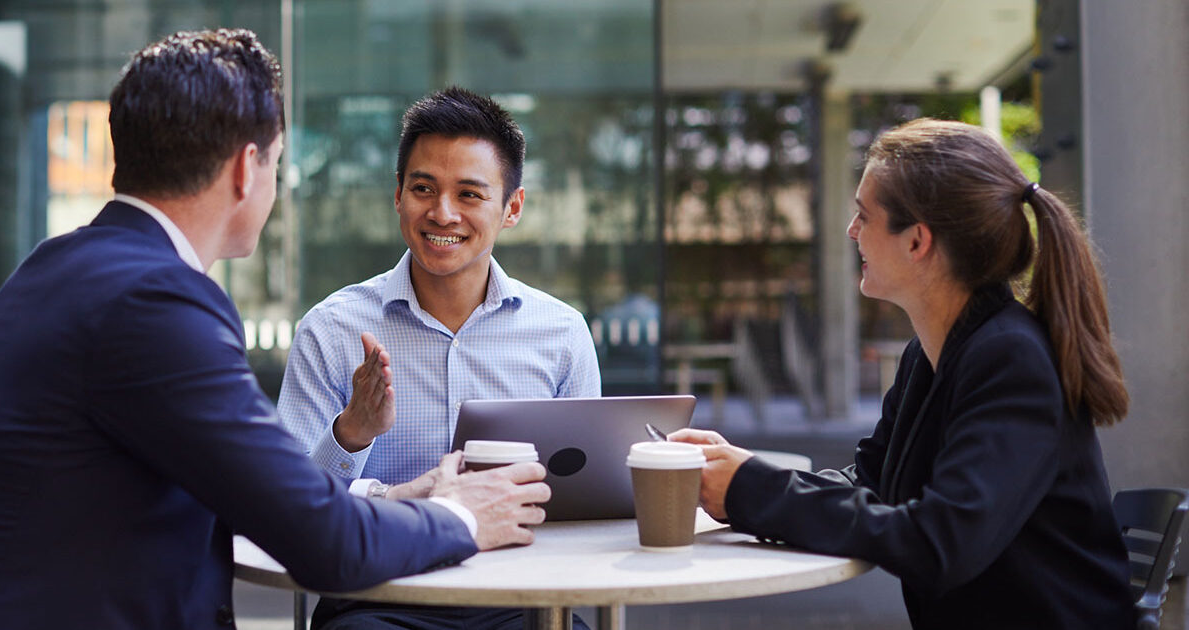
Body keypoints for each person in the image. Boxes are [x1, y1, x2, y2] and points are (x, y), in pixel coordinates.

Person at [0, 30, 549, 630]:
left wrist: (402, 496)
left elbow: (254, 492)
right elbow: (319, 539)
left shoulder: (46, 271)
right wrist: (462, 515)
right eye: (279, 164)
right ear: (245, 168)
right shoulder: (158, 303)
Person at [671, 118, 1136, 629]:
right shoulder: (931, 353)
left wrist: (753, 491)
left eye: (863, 216)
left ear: (917, 241)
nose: (852, 232)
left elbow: (940, 545)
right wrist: (740, 474)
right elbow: (873, 482)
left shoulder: (1012, 358)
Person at [277, 87, 601, 629]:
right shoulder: (332, 331)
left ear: (512, 208)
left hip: (519, 599)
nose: (442, 213)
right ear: (398, 195)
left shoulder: (561, 334)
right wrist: (350, 433)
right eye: (423, 188)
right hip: (377, 600)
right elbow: (287, 509)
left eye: (469, 194)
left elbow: (587, 499)